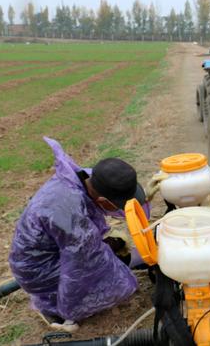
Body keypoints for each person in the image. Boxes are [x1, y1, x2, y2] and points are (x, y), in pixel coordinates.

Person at [9, 137, 147, 333]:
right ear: (105, 202)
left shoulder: (85, 179)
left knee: (108, 252)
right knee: (102, 266)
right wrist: (70, 310)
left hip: (48, 251)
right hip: (37, 269)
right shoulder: (71, 215)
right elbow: (81, 266)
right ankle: (56, 309)